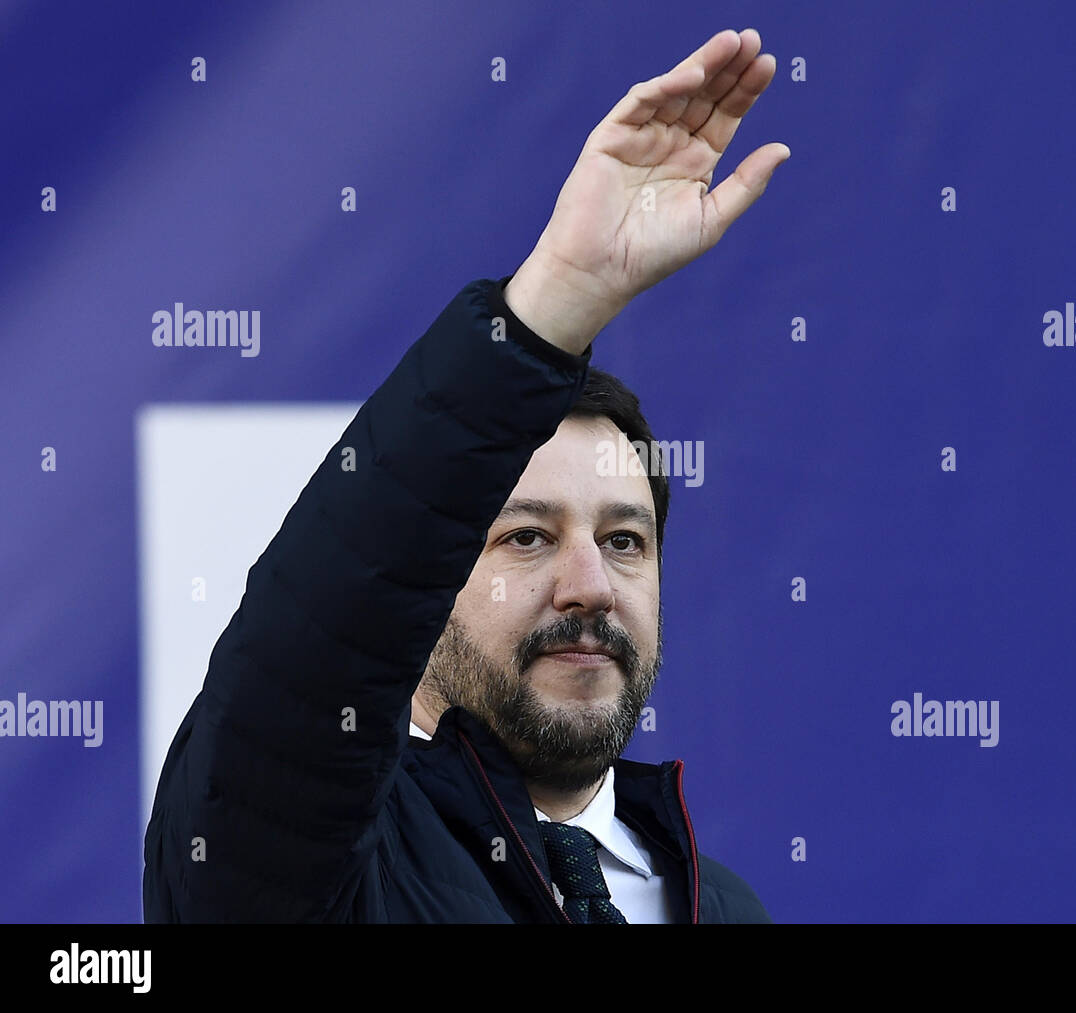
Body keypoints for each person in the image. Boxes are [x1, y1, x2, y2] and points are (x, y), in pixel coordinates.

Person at [143, 27, 789, 924]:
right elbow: (314, 647)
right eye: (526, 535)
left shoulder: (725, 906)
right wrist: (555, 301)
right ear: (424, 588)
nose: (589, 585)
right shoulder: (324, 859)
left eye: (624, 540)